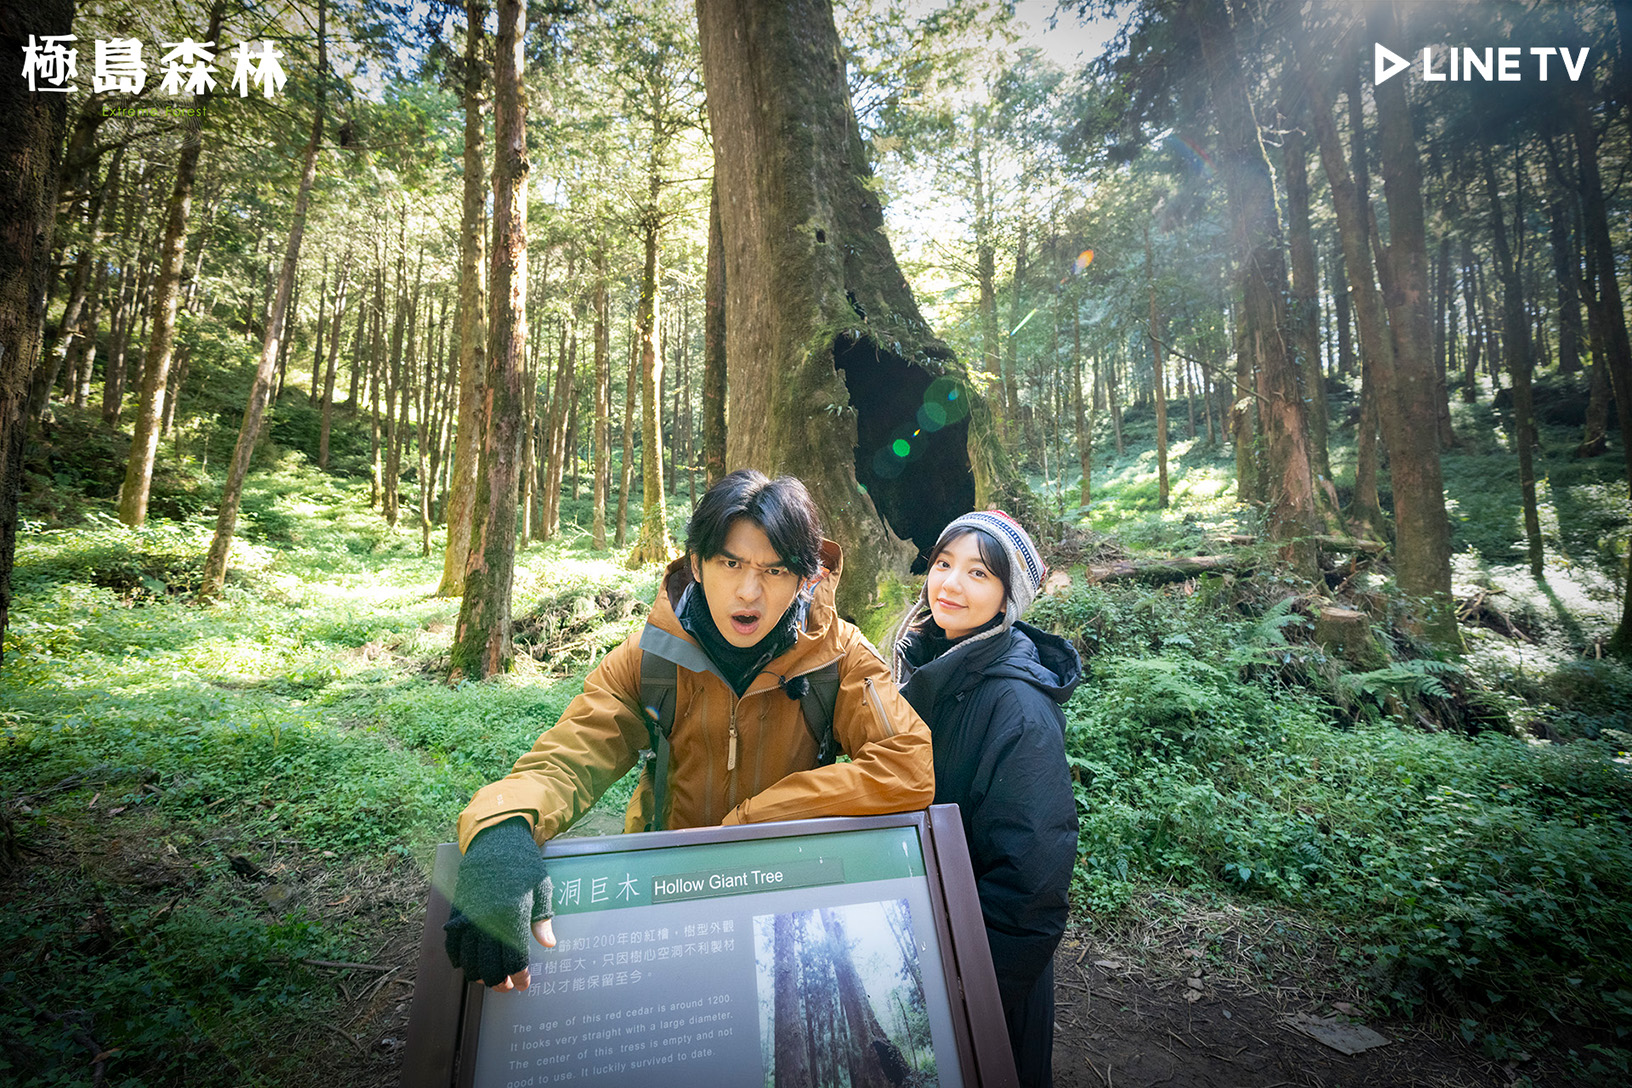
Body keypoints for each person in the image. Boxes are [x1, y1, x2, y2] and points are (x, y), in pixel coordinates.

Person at [444, 469, 934, 992]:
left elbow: (906, 765)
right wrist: (503, 828)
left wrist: (755, 818)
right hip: (664, 896)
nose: (750, 591)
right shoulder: (650, 658)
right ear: (697, 564)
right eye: (731, 563)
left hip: (783, 895)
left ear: (803, 579)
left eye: (774, 570)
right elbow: (567, 758)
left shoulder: (840, 658)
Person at [891, 510, 1080, 1088]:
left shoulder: (1016, 708)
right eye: (944, 564)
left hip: (984, 972)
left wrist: (972, 1001)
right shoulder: (924, 664)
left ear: (1006, 598)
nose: (949, 584)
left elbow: (1032, 881)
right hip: (929, 942)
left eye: (978, 574)